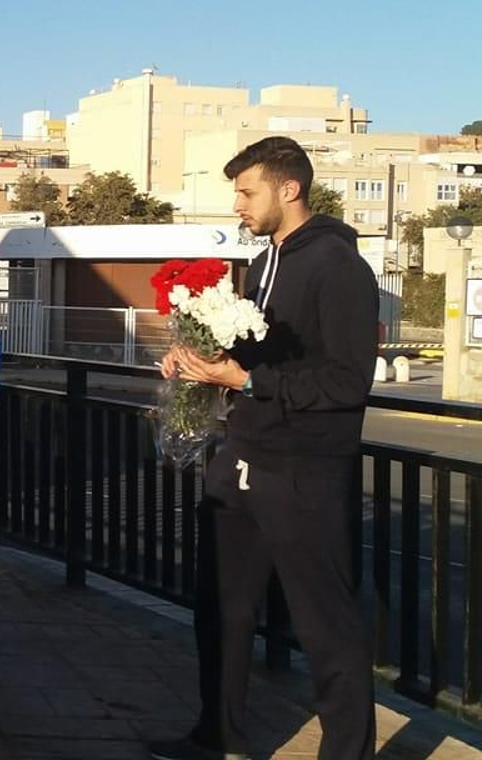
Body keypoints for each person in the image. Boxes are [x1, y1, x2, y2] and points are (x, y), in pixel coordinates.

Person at [149, 136, 377, 760]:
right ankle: (215, 736)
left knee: (326, 625)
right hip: (243, 457)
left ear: (289, 189)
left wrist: (247, 380)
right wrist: (203, 363)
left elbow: (348, 381)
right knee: (220, 609)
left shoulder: (339, 268)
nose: (237, 206)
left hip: (305, 471)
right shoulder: (264, 262)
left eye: (247, 193)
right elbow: (257, 351)